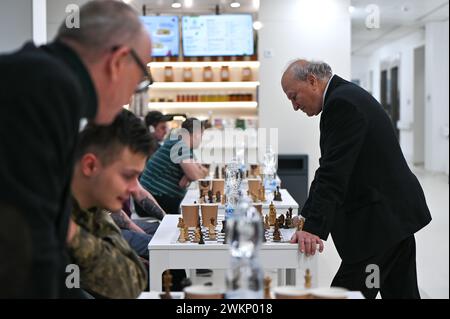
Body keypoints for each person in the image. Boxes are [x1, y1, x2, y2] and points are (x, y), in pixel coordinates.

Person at [0, 0, 152, 298]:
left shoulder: (37, 75)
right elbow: (30, 245)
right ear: (118, 61)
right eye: (139, 79)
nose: (130, 96)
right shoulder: (50, 89)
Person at [281, 59, 431, 299]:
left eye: (293, 96)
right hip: (393, 219)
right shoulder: (343, 97)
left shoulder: (342, 104)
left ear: (312, 81)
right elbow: (328, 168)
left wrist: (312, 229)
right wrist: (307, 217)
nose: (294, 106)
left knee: (346, 294)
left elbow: (334, 173)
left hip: (379, 225)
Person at [68, 110, 153, 298]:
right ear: (90, 165)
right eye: (128, 176)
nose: (133, 188)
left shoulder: (93, 209)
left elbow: (133, 282)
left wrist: (73, 234)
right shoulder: (43, 204)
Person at [140, 118, 209, 214]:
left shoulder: (180, 144)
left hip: (156, 197)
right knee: (198, 210)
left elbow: (183, 182)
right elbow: (196, 175)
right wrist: (196, 171)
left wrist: (193, 172)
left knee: (197, 204)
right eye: (202, 135)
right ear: (197, 134)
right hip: (151, 200)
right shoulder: (179, 145)